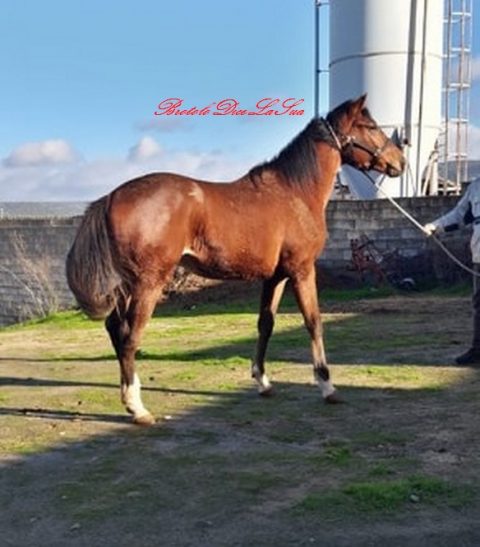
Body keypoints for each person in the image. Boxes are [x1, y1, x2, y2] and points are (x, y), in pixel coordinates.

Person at [424, 178, 480, 365]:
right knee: (479, 305)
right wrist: (436, 226)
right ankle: (478, 350)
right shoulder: (476, 187)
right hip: (479, 258)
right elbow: (460, 216)